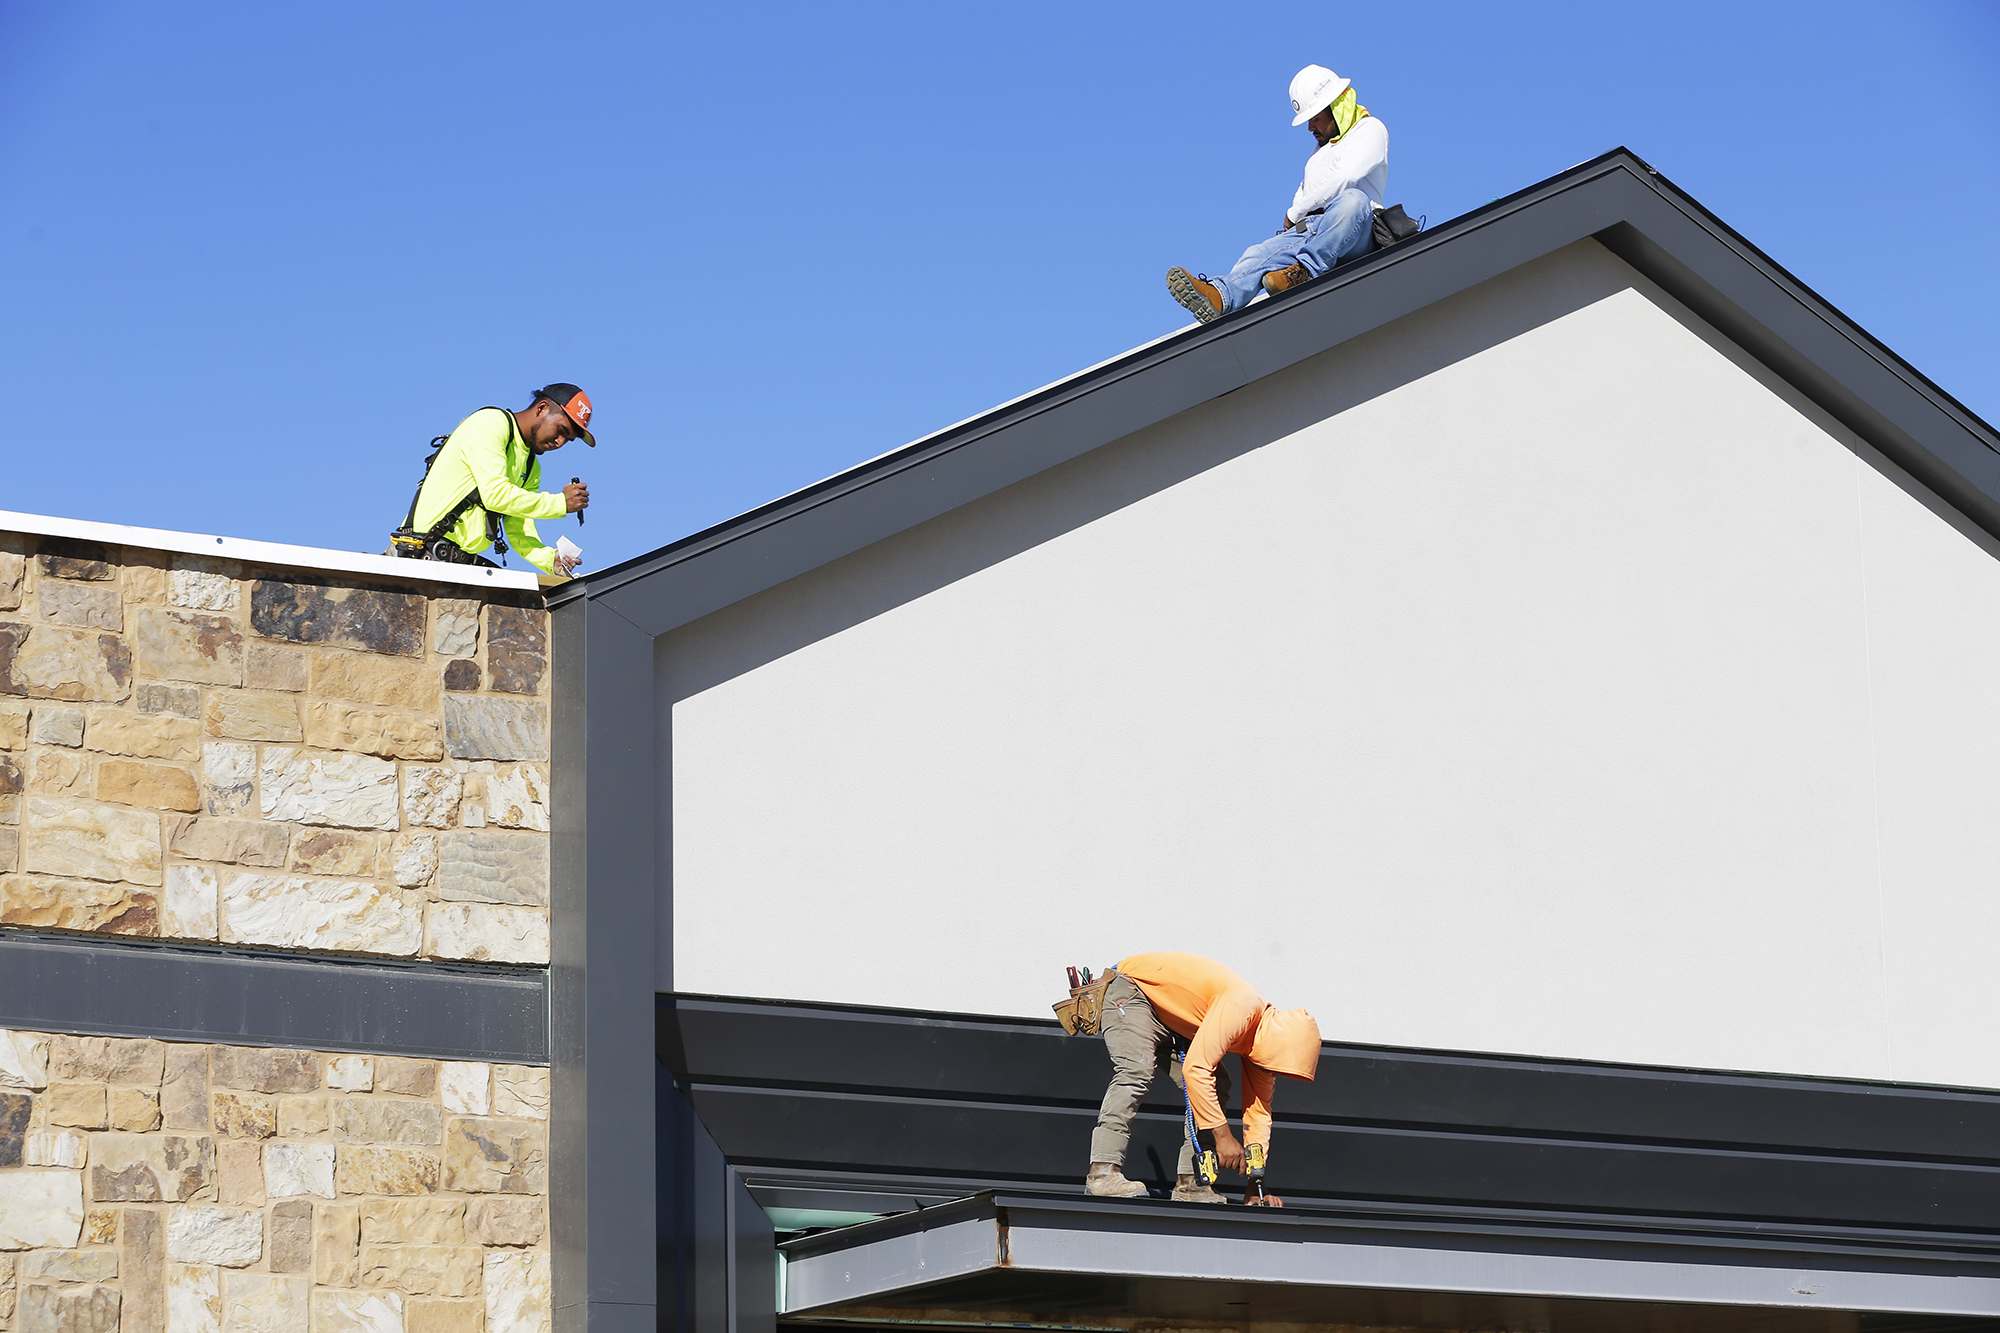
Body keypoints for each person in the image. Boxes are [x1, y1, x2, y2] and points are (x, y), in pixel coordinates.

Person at [1085, 951, 1320, 1205]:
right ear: (1278, 1048)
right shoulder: (1242, 1006)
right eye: (1279, 1067)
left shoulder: (1261, 1047)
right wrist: (1223, 1137)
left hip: (1170, 1015)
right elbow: (1195, 1069)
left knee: (1216, 1084)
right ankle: (1102, 1174)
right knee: (1136, 1070)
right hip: (1134, 989)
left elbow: (1258, 1114)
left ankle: (1191, 1184)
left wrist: (1256, 1185)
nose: (1273, 1074)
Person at [1166, 65, 1388, 323]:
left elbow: (1346, 177)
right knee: (1259, 253)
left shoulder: (1369, 129)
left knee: (1353, 201)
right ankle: (1220, 296)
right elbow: (1307, 190)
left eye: (1314, 118)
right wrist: (1292, 225)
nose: (1309, 128)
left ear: (1335, 106)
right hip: (1314, 230)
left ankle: (1304, 271)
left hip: (1355, 231)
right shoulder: (1320, 150)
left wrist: (1294, 213)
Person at [396, 384, 596, 576]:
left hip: (457, 568)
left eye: (567, 440)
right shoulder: (491, 424)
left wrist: (550, 560)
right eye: (560, 430)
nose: (559, 442)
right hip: (416, 560)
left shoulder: (530, 466)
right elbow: (496, 495)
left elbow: (520, 529)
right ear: (542, 408)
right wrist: (560, 503)